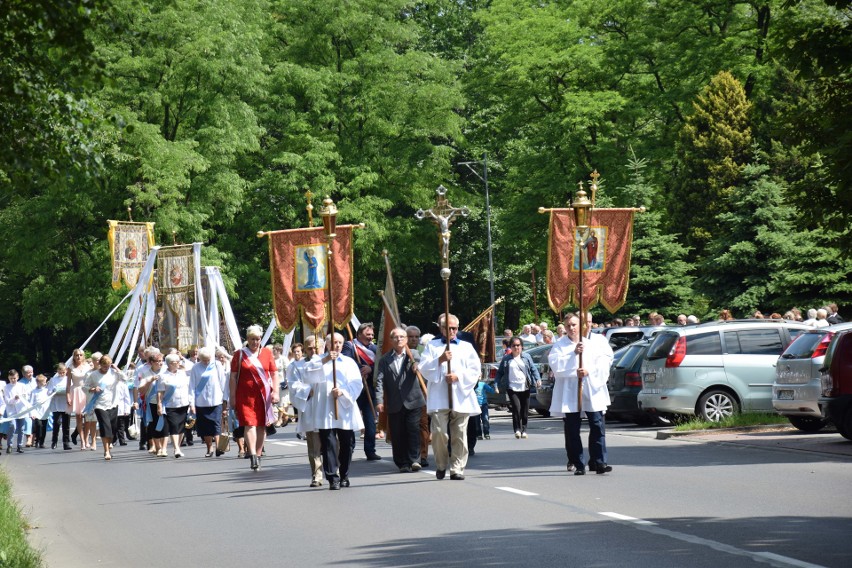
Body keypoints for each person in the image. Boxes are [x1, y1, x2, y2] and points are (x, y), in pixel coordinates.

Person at [549, 314, 614, 475]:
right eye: (568, 325)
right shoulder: (559, 345)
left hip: (591, 388)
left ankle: (599, 461)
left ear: (581, 325)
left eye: (574, 325)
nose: (571, 328)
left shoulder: (591, 345)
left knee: (597, 425)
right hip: (570, 391)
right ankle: (578, 463)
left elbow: (602, 364)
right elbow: (555, 365)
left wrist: (588, 371)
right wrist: (573, 354)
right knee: (572, 429)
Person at [419, 313, 481, 481]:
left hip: (461, 396)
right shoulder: (432, 346)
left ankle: (457, 468)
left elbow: (475, 369)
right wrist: (439, 360)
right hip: (440, 396)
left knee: (460, 434)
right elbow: (423, 368)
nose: (452, 331)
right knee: (439, 432)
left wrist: (458, 376)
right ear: (441, 328)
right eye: (448, 328)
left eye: (454, 328)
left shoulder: (466, 347)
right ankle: (441, 464)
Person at [304, 332, 364, 490]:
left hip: (344, 407)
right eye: (334, 342)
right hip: (325, 409)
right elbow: (308, 375)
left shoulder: (349, 362)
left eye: (339, 342)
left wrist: (343, 392)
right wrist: (325, 360)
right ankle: (332, 477)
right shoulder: (318, 360)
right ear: (327, 344)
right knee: (329, 444)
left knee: (347, 444)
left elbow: (357, 383)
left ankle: (344, 474)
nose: (337, 345)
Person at [375, 328, 426, 473]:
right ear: (391, 340)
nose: (399, 339)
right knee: (397, 434)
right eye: (396, 337)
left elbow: (419, 361)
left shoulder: (413, 354)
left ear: (406, 339)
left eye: (402, 337)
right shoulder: (385, 360)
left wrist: (417, 366)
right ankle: (402, 462)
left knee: (413, 429)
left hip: (413, 400)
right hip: (394, 403)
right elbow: (379, 381)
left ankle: (415, 460)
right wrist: (379, 401)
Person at [230, 325, 278, 471]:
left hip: (263, 396)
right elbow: (233, 377)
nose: (255, 342)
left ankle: (258, 453)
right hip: (244, 396)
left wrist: (275, 392)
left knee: (262, 425)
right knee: (249, 424)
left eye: (257, 339)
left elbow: (274, 373)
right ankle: (252, 455)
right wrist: (232, 396)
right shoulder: (239, 355)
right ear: (247, 339)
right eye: (252, 339)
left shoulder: (267, 354)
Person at [341, 322, 381, 461]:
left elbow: (381, 363)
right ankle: (348, 449)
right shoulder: (349, 346)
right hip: (354, 388)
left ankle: (370, 450)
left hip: (370, 389)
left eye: (371, 335)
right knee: (350, 420)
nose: (370, 337)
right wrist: (361, 367)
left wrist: (371, 367)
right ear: (358, 334)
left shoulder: (376, 349)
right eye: (367, 335)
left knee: (370, 421)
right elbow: (346, 361)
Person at [290, 335, 325, 487]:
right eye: (310, 348)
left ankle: (334, 471)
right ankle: (317, 475)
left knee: (332, 444)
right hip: (311, 409)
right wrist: (306, 389)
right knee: (314, 446)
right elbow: (293, 385)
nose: (313, 351)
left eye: (316, 348)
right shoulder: (297, 366)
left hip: (327, 409)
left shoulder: (329, 363)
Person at [495, 336, 541, 439]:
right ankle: (517, 429)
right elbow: (500, 373)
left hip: (525, 386)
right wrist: (496, 384)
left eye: (518, 345)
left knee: (524, 409)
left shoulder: (526, 357)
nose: (516, 347)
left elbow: (533, 369)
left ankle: (524, 429)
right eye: (514, 345)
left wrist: (538, 379)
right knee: (516, 408)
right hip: (512, 387)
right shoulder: (507, 359)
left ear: (522, 346)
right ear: (510, 347)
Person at [189, 346, 229, 458]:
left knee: (216, 425)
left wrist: (225, 400)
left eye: (208, 359)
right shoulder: (195, 368)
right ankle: (209, 448)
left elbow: (223, 383)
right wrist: (191, 403)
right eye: (204, 360)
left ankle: (218, 447)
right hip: (201, 402)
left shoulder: (217, 365)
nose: (206, 362)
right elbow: (191, 386)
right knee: (205, 427)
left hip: (216, 401)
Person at [84, 355, 124, 461]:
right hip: (99, 404)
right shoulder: (94, 375)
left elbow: (125, 378)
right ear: (100, 365)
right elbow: (85, 386)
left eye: (108, 365)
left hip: (113, 403)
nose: (106, 368)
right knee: (104, 427)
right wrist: (93, 389)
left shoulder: (114, 373)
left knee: (112, 429)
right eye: (104, 366)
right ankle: (106, 451)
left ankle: (109, 443)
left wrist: (117, 369)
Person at [158, 353, 191, 458]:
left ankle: (178, 447)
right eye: (174, 362)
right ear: (168, 364)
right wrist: (159, 404)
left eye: (178, 362)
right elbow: (160, 392)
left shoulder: (182, 373)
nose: (177, 364)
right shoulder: (163, 376)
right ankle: (176, 448)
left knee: (181, 427)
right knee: (174, 427)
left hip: (183, 403)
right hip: (170, 405)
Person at [406, 325, 430, 468]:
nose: (414, 339)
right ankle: (409, 454)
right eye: (411, 336)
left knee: (422, 425)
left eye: (416, 336)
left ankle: (423, 455)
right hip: (406, 394)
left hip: (422, 392)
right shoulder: (400, 351)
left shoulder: (425, 352)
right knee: (408, 426)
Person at [137, 349, 166, 455]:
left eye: (161, 360)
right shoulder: (145, 372)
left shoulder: (166, 370)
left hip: (165, 402)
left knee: (164, 425)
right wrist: (149, 381)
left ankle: (163, 448)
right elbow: (141, 390)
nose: (160, 363)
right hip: (152, 402)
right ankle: (157, 447)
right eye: (158, 361)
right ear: (152, 362)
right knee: (154, 425)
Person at [2, 370, 28, 453]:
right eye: (11, 378)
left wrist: (21, 397)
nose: (13, 380)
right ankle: (10, 445)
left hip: (21, 409)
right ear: (8, 378)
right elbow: (7, 400)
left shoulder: (22, 386)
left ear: (17, 377)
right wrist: (14, 399)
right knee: (12, 426)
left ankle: (19, 445)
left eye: (14, 378)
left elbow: (26, 397)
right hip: (12, 410)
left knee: (21, 429)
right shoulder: (6, 387)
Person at [48, 363, 72, 450]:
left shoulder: (68, 379)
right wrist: (54, 391)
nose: (62, 374)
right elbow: (48, 391)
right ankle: (54, 441)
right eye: (60, 372)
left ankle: (66, 442)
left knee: (66, 424)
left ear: (66, 371)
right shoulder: (53, 380)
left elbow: (71, 389)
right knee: (56, 423)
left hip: (66, 403)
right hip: (56, 404)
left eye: (63, 372)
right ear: (57, 371)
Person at [30, 374, 51, 448]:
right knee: (39, 426)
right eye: (43, 382)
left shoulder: (47, 390)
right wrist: (31, 413)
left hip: (45, 411)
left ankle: (42, 442)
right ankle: (37, 440)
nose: (45, 383)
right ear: (38, 382)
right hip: (37, 412)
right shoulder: (34, 391)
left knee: (44, 427)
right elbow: (31, 403)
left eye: (45, 382)